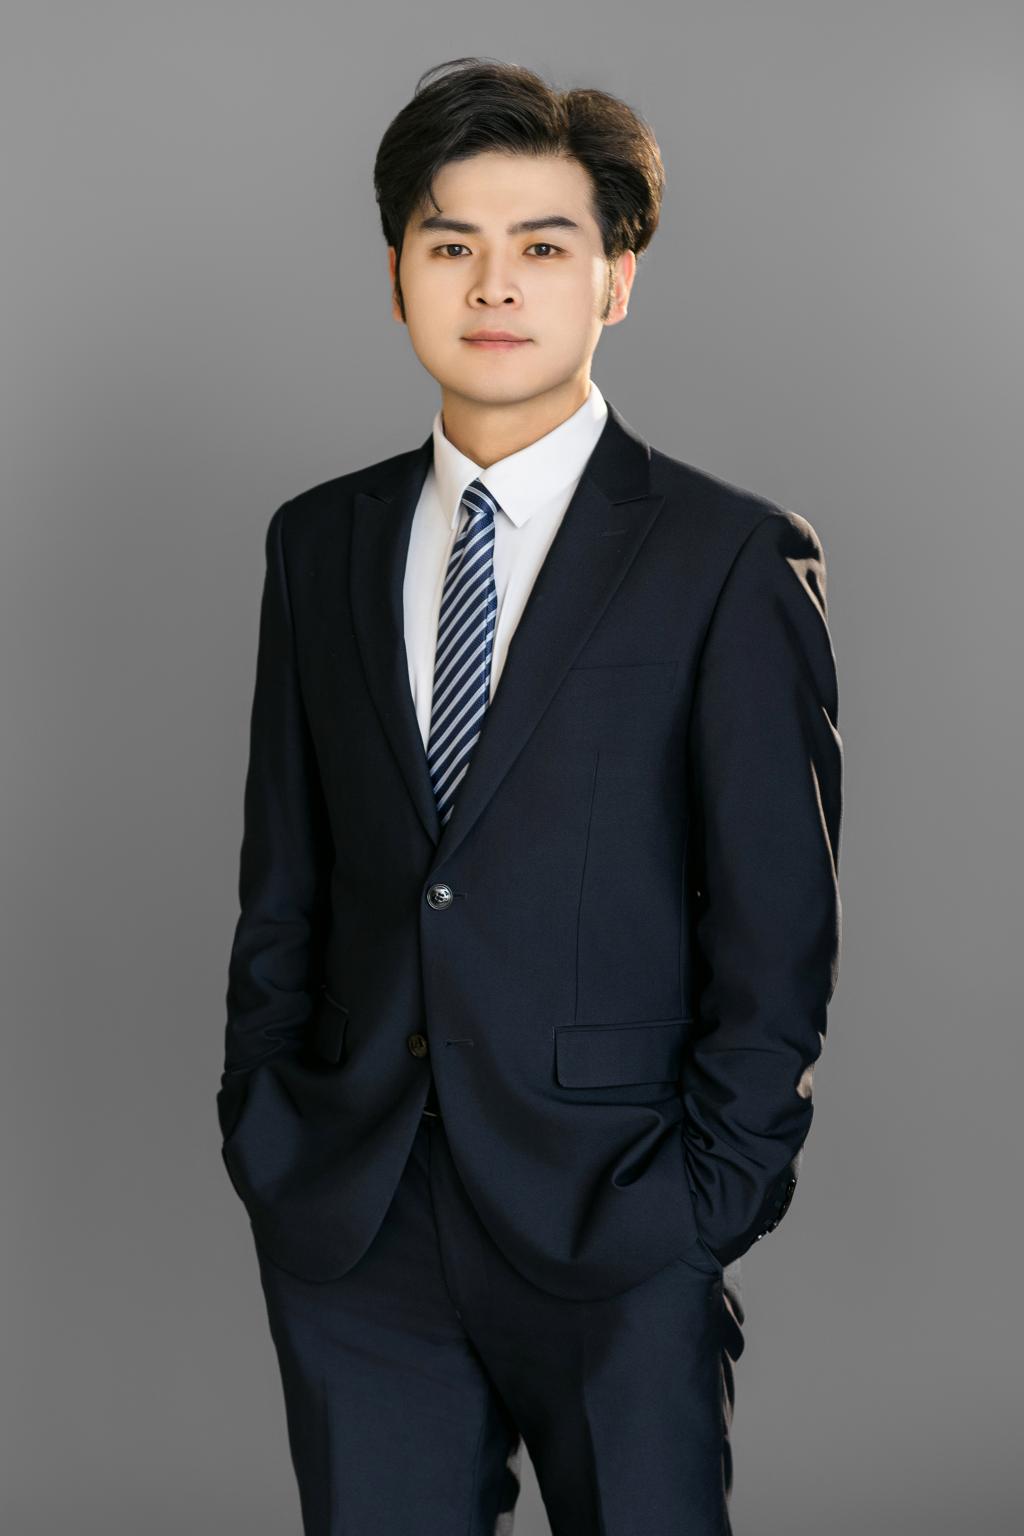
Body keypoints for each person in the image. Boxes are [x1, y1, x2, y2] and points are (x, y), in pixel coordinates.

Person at [216, 55, 843, 1536]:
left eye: (543, 247)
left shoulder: (726, 559)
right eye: (452, 245)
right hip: (358, 1217)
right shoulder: (318, 543)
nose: (493, 284)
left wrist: (703, 1208)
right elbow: (285, 876)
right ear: (397, 279)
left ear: (614, 279)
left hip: (619, 1215)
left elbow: (777, 929)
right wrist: (269, 1124)